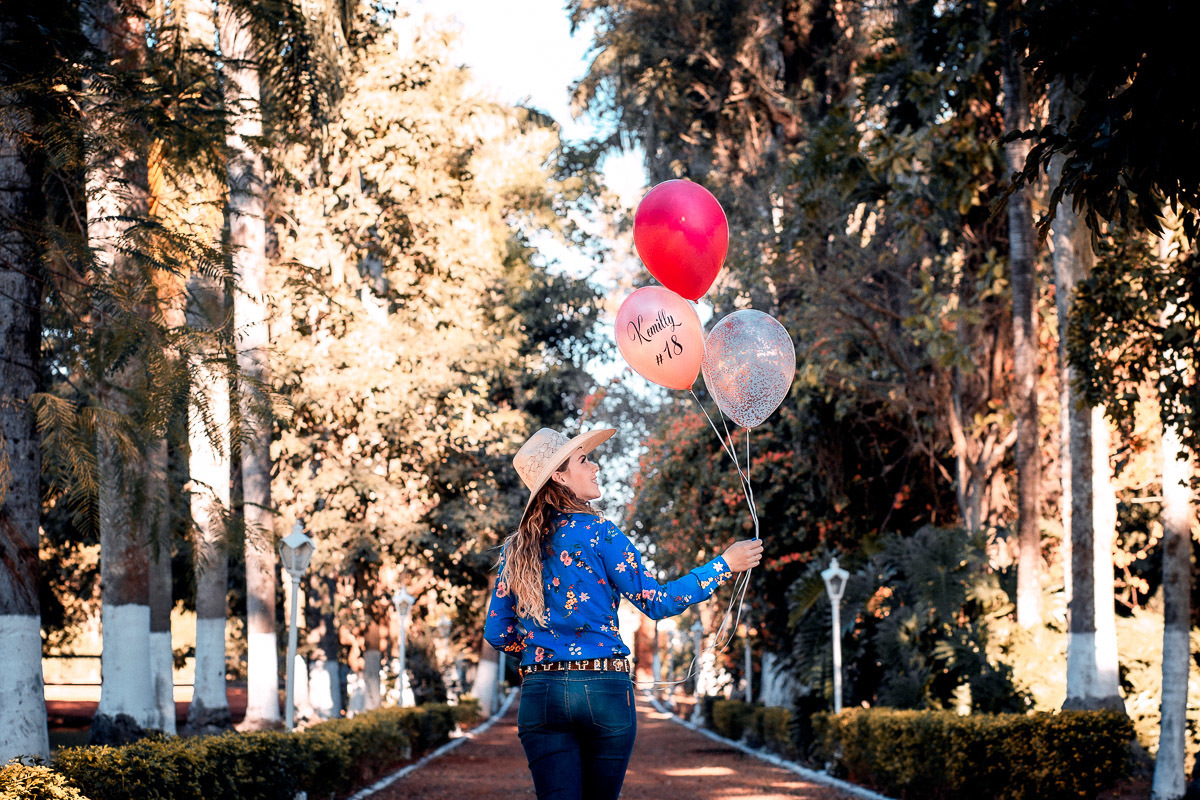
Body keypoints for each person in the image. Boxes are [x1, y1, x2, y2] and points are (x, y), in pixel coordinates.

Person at [483, 426, 763, 800]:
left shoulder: (516, 549)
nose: (595, 466)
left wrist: (543, 652)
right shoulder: (600, 532)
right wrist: (724, 564)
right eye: (583, 460)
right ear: (559, 476)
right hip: (603, 691)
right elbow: (657, 601)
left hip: (542, 692)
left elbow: (498, 632)